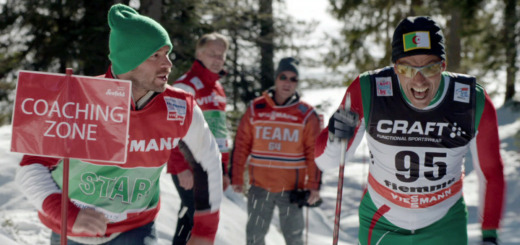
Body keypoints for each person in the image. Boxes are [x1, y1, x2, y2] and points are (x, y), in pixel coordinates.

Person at [15, 4, 222, 245]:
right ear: (128, 61)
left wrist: (205, 230)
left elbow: (208, 160)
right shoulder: (77, 98)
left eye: (167, 53)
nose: (168, 64)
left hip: (136, 228)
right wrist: (67, 214)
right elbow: (30, 166)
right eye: (155, 55)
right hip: (73, 229)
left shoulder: (180, 107)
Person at [316, 16, 505, 245]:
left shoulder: (471, 99)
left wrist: (490, 235)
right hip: (382, 220)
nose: (419, 81)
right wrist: (336, 136)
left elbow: (491, 172)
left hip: (444, 223)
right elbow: (326, 162)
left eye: (431, 67)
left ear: (443, 66)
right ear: (395, 68)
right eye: (407, 68)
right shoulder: (369, 89)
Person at [230, 57, 322, 245]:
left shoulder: (306, 113)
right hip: (260, 187)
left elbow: (314, 152)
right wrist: (237, 176)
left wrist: (314, 184)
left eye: (293, 79)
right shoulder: (256, 108)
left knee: (294, 239)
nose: (287, 83)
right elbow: (241, 145)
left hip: (291, 190)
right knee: (254, 237)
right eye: (283, 77)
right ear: (276, 78)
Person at [167, 32, 231, 245]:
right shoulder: (186, 85)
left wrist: (223, 169)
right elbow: (172, 129)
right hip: (188, 165)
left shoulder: (218, 88)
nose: (217, 60)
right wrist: (179, 167)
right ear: (199, 53)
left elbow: (219, 132)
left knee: (197, 217)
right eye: (212, 53)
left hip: (209, 166)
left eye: (221, 55)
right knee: (194, 215)